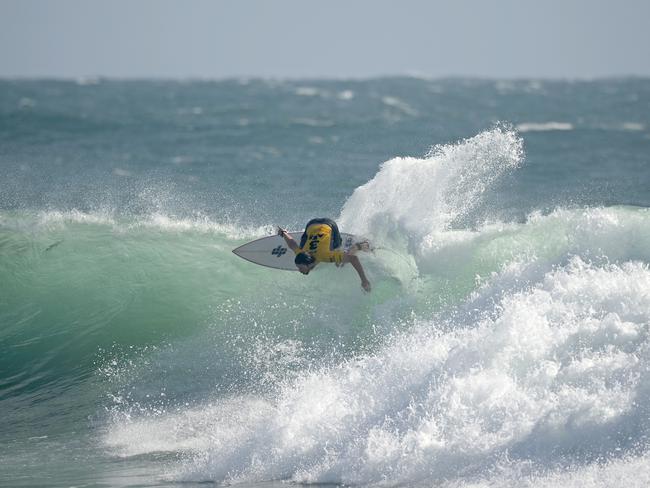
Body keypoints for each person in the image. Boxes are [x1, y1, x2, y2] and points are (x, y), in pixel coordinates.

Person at [277, 218, 371, 292]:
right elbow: (292, 245)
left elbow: (353, 259)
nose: (299, 270)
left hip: (329, 225)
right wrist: (283, 233)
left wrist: (364, 280)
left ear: (308, 263)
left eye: (301, 267)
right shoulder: (302, 252)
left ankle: (359, 245)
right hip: (312, 224)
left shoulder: (325, 256)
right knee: (301, 247)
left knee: (339, 263)